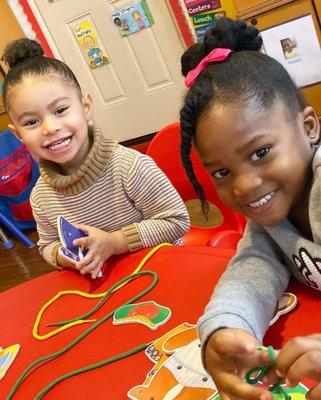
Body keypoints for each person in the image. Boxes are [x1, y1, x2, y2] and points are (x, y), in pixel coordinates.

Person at [180, 16, 321, 400]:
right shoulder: (269, 217)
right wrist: (227, 329)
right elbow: (252, 268)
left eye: (260, 152)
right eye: (222, 171)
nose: (243, 186)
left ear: (309, 127)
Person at [1, 38, 189, 280]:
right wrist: (63, 255)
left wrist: (114, 242)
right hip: (105, 287)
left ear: (85, 107)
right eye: (31, 122)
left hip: (161, 272)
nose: (50, 127)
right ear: (18, 135)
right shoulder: (40, 197)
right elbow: (46, 246)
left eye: (60, 110)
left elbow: (176, 220)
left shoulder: (129, 167)